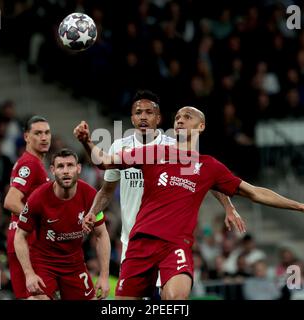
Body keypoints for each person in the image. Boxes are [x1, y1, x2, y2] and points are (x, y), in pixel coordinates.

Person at [73, 106, 304, 300]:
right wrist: (86, 141)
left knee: (175, 300)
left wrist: (300, 206)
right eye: (177, 118)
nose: (180, 120)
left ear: (201, 126)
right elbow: (104, 161)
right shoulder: (154, 152)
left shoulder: (209, 166)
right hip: (140, 243)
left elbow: (254, 192)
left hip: (175, 246)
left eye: (187, 116)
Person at [89, 90, 244, 298]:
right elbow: (106, 191)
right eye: (138, 112)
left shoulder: (172, 146)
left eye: (148, 112)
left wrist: (228, 206)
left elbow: (208, 176)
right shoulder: (119, 147)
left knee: (170, 298)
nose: (143, 117)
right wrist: (92, 212)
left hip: (166, 240)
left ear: (158, 118)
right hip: (132, 240)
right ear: (132, 118)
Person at [14, 149, 110, 300]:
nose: (66, 171)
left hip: (74, 264)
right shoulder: (38, 197)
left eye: (70, 165)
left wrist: (104, 276)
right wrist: (29, 274)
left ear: (78, 168)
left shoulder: (91, 195)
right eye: (60, 166)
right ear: (52, 170)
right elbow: (19, 236)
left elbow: (102, 234)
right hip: (44, 262)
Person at [3, 116, 51, 299]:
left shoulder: (34, 162)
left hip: (23, 240)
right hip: (26, 242)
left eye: (47, 132)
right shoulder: (30, 163)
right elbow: (11, 201)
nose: (44, 137)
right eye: (38, 133)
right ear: (26, 137)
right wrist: (37, 223)